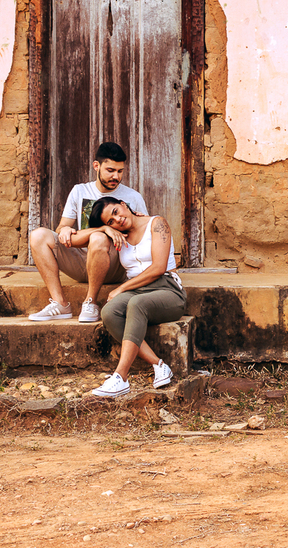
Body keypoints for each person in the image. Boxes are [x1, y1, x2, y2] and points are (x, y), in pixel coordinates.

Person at [28, 143, 147, 323]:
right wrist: (68, 229)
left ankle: (90, 302)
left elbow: (144, 234)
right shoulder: (80, 191)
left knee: (98, 238)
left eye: (120, 171)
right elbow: (61, 229)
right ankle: (60, 303)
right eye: (110, 170)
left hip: (116, 264)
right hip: (82, 262)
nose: (116, 176)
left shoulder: (133, 197)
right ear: (96, 166)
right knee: (38, 235)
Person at [85, 196, 186, 396]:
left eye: (116, 212)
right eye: (111, 221)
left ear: (123, 204)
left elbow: (158, 268)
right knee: (109, 312)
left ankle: (121, 377)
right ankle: (158, 364)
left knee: (136, 304)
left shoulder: (157, 224)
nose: (118, 220)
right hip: (138, 290)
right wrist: (104, 230)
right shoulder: (119, 235)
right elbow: (74, 239)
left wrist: (121, 288)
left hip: (168, 289)